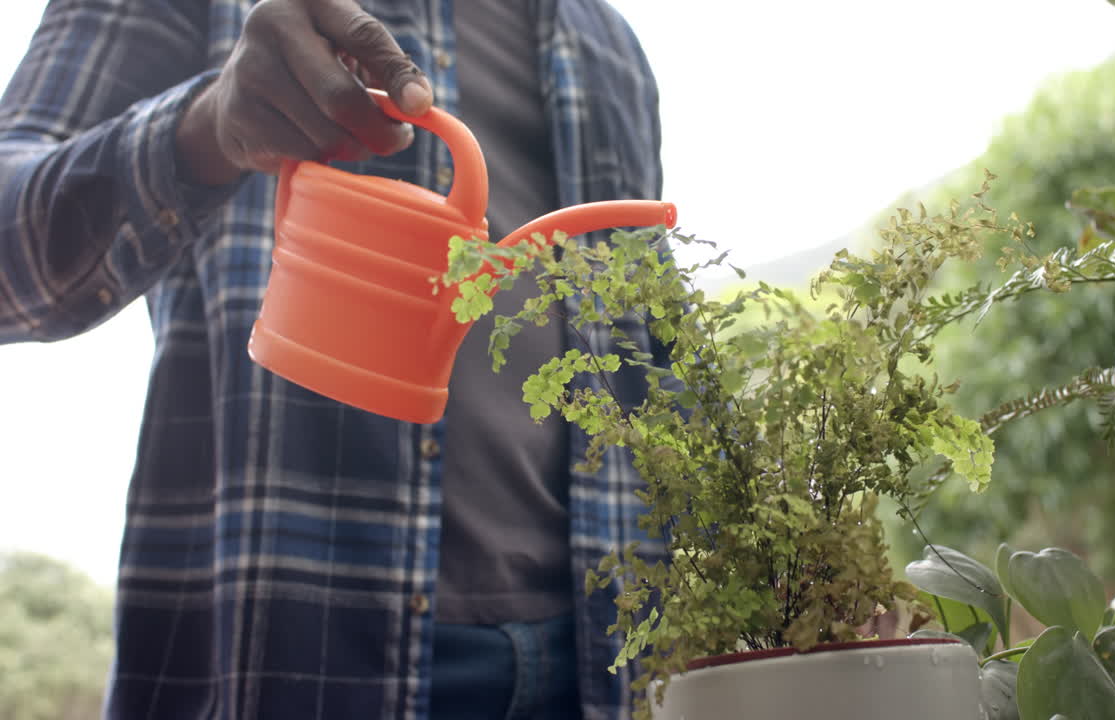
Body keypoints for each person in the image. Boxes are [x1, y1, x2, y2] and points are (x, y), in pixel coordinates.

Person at [0, 1, 667, 718]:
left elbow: (646, 351)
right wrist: (204, 128)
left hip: (606, 665)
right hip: (292, 653)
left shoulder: (607, 44)